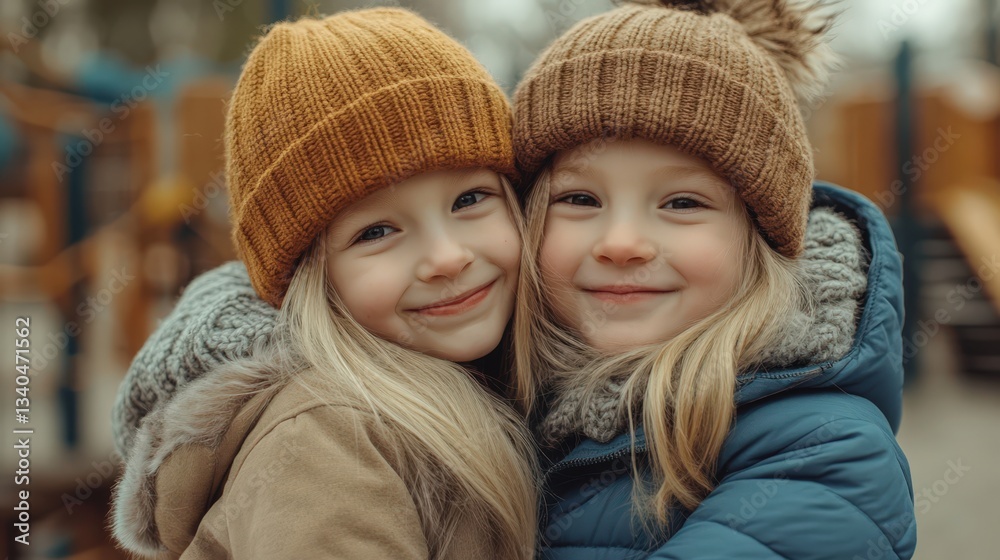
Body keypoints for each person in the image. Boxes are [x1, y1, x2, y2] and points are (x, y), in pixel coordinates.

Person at [110, 9, 538, 559]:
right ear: (309, 281)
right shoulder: (329, 442)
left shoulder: (497, 381)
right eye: (377, 231)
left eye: (469, 199)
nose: (447, 257)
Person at [509, 0, 916, 558]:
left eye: (681, 202)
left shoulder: (819, 448)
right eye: (580, 198)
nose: (622, 243)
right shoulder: (504, 397)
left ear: (759, 240)